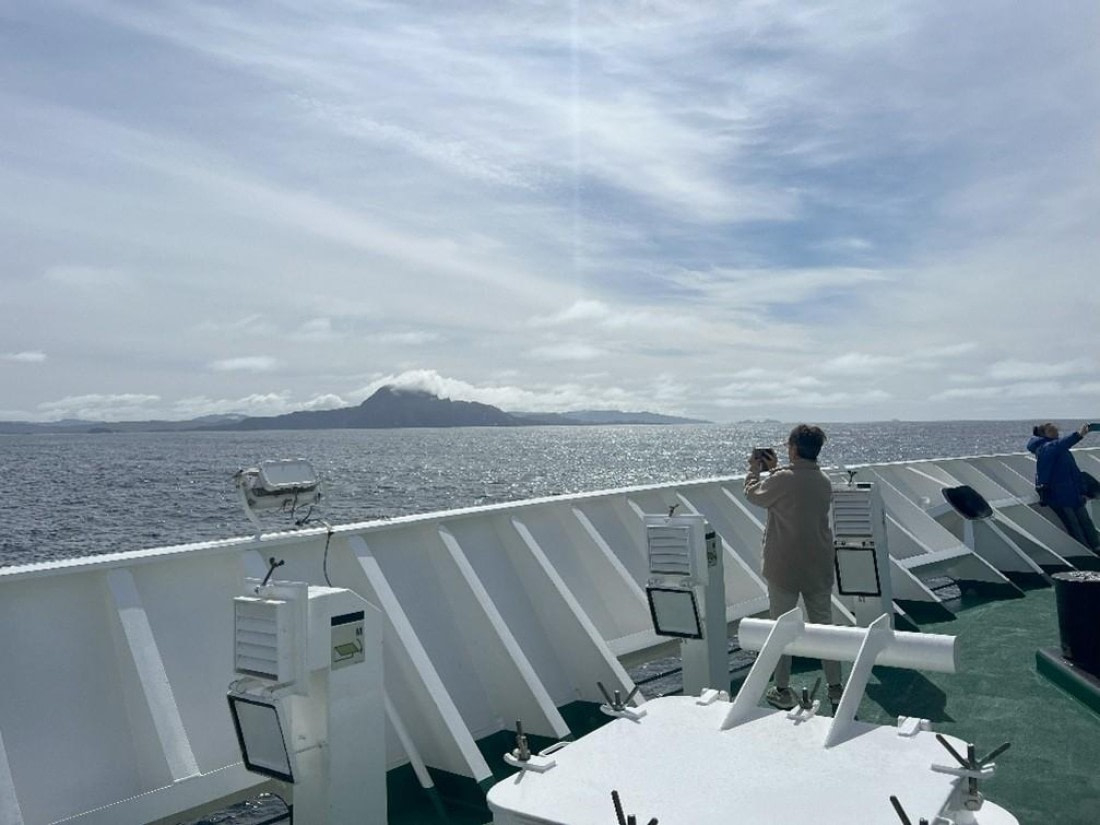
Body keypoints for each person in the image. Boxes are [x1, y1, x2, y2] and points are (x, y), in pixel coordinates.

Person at [744, 424, 843, 710]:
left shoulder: (782, 479)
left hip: (783, 566)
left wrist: (755, 469)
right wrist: (777, 470)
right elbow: (796, 486)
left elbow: (754, 494)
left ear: (793, 448)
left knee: (781, 628)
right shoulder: (824, 481)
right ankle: (835, 687)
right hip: (818, 565)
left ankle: (782, 689)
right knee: (825, 627)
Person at [1026, 422, 1099, 552]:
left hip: (1072, 494)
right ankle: (1086, 553)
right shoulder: (1045, 448)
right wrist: (1079, 434)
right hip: (1058, 496)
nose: (1056, 432)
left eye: (1056, 429)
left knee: (1086, 523)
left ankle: (1096, 548)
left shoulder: (1058, 448)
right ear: (1043, 434)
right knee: (1074, 526)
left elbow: (1074, 472)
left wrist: (1082, 490)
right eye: (1051, 430)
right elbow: (1059, 445)